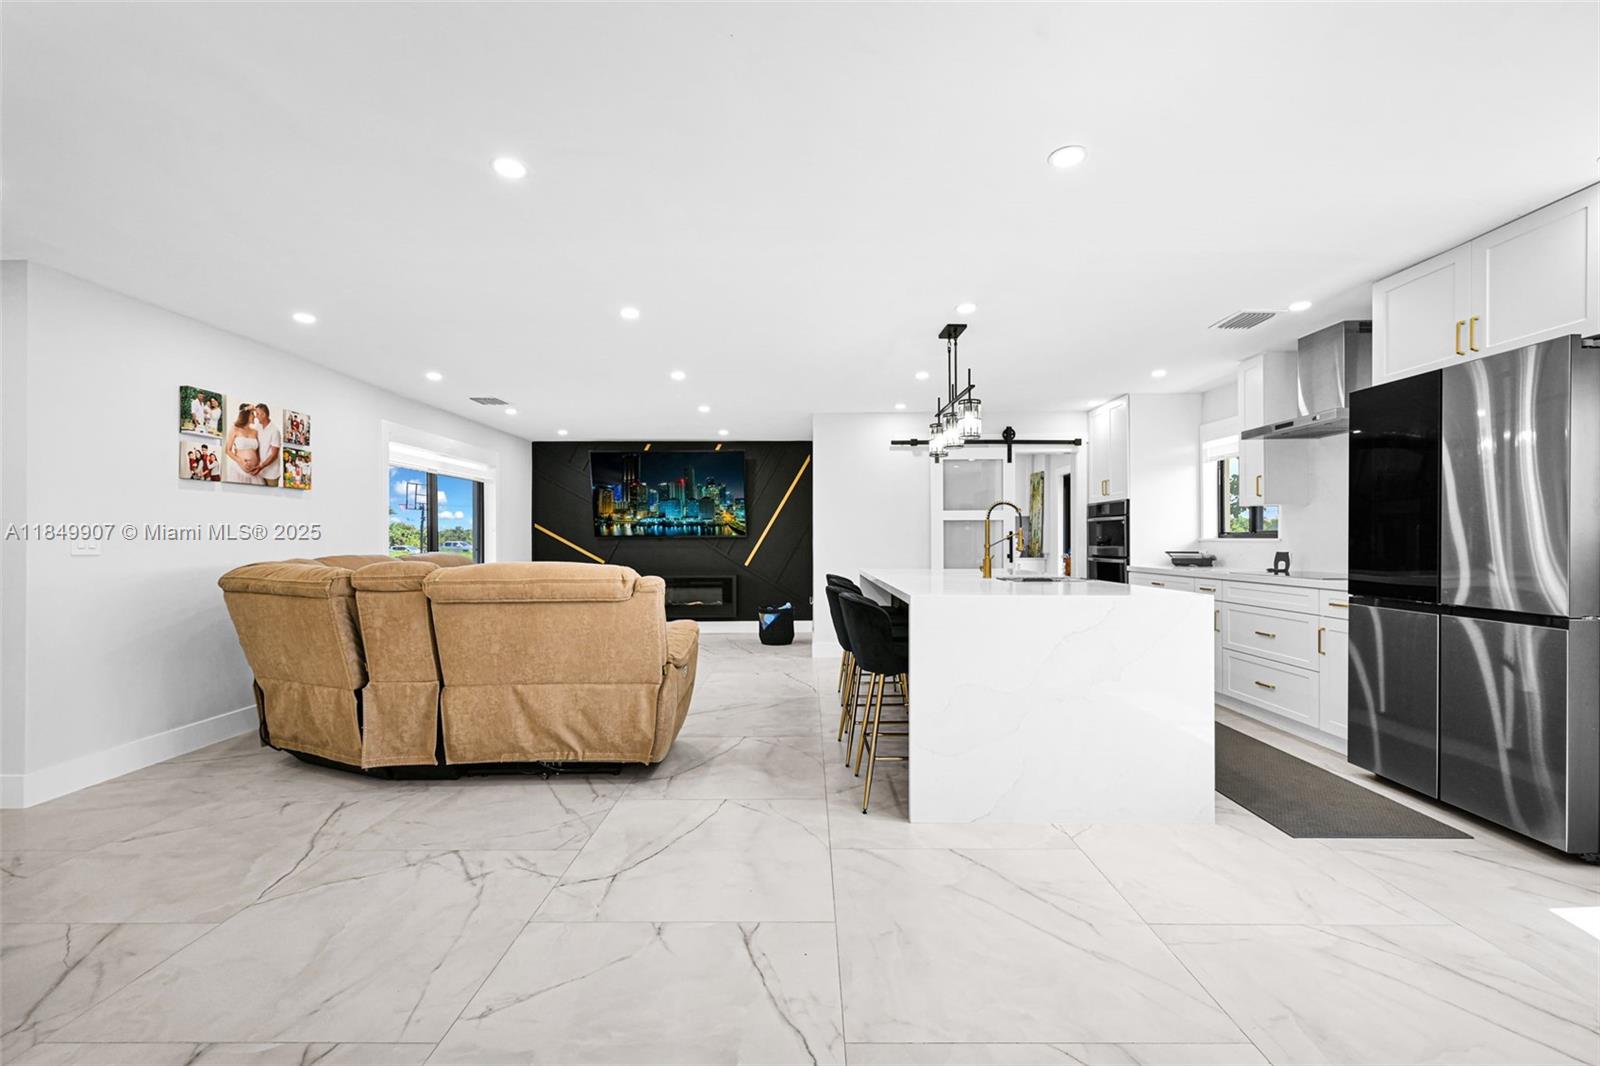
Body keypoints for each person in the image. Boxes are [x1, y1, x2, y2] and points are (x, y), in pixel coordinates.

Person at [224, 404, 263, 484]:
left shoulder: (255, 432)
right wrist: (241, 461)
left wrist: (258, 465)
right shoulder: (235, 428)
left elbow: (257, 452)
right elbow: (228, 450)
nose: (255, 417)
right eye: (252, 414)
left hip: (254, 472)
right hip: (238, 470)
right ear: (246, 415)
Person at [253, 403, 282, 487]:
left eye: (257, 414)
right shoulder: (258, 426)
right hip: (260, 472)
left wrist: (261, 466)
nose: (256, 416)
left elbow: (274, 455)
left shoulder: (275, 431)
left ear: (264, 414)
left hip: (271, 474)